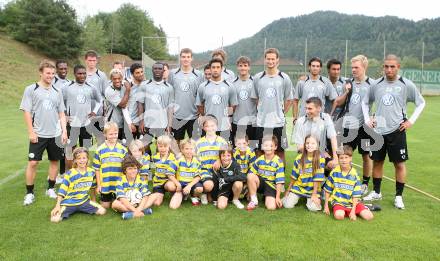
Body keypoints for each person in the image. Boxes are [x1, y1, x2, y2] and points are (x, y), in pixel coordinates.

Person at [362, 54, 425, 209]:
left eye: (392, 66)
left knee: (399, 164)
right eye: (386, 66)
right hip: (378, 131)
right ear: (383, 67)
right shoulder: (376, 84)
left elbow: (421, 103)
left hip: (397, 131)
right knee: (377, 162)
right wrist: (368, 120)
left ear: (398, 67)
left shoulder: (406, 84)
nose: (389, 69)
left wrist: (411, 121)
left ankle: (398, 196)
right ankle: (376, 192)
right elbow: (365, 103)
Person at [20, 60, 68, 206]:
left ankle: (51, 189)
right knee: (33, 162)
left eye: (53, 74)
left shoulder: (57, 91)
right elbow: (27, 112)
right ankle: (29, 193)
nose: (51, 76)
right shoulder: (31, 89)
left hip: (55, 134)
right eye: (48, 73)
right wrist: (31, 132)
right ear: (40, 72)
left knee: (54, 161)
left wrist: (64, 131)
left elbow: (61, 113)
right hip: (38, 134)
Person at [332, 55, 374, 195]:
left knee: (366, 155)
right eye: (352, 67)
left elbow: (379, 104)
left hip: (365, 128)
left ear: (364, 67)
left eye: (357, 67)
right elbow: (339, 102)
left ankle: (365, 184)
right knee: (343, 154)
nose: (354, 70)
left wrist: (374, 118)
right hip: (348, 125)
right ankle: (342, 179)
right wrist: (347, 91)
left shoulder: (372, 85)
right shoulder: (348, 83)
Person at [251, 48, 293, 163]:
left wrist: (282, 113)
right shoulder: (258, 77)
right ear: (264, 60)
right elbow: (255, 98)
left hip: (278, 122)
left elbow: (289, 99)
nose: (270, 61)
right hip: (261, 121)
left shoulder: (284, 78)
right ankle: (261, 176)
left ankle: (280, 177)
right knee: (259, 149)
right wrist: (262, 109)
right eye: (268, 59)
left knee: (280, 150)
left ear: (277, 60)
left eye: (273, 59)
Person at [50, 147, 106, 222]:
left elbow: (92, 187)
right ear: (75, 160)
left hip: (84, 201)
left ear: (87, 159)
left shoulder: (91, 172)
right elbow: (62, 190)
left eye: (84, 158)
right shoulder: (70, 173)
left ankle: (81, 208)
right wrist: (57, 206)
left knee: (102, 211)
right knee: (54, 219)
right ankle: (67, 208)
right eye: (79, 158)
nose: (82, 160)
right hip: (69, 203)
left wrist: (93, 199)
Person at [63, 64, 101, 170]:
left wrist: (94, 111)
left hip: (86, 124)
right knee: (70, 151)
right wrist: (65, 114)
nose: (82, 75)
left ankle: (85, 175)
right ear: (74, 74)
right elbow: (60, 102)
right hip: (72, 124)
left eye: (84, 73)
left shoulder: (91, 87)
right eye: (79, 73)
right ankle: (69, 175)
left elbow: (99, 100)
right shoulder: (67, 87)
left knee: (85, 151)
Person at [323, 145, 374, 221]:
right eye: (341, 158)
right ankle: (344, 211)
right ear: (338, 159)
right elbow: (327, 190)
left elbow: (355, 194)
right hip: (339, 202)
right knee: (339, 216)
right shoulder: (334, 172)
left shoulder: (354, 175)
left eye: (346, 157)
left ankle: (363, 207)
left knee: (369, 217)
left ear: (350, 158)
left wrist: (353, 211)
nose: (344, 160)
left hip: (353, 203)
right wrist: (326, 205)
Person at [137, 62, 174, 154]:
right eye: (155, 68)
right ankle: (146, 165)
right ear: (152, 70)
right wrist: (141, 121)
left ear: (163, 71)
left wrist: (169, 125)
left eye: (160, 69)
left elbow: (170, 108)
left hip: (163, 124)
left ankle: (161, 166)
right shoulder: (144, 85)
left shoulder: (169, 87)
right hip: (148, 123)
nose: (157, 70)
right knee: (145, 147)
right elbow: (140, 104)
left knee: (162, 148)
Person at [196, 58, 238, 141]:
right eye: (213, 67)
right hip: (208, 127)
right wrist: (206, 116)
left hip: (224, 126)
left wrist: (227, 117)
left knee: (224, 152)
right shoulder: (203, 86)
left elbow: (233, 104)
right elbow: (199, 104)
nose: (215, 70)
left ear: (221, 69)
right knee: (208, 152)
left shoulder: (229, 86)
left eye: (218, 67)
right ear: (210, 69)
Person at [294, 97, 339, 172]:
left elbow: (333, 138)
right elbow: (300, 147)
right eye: (306, 108)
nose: (307, 111)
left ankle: (325, 180)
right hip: (305, 154)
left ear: (319, 108)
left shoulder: (326, 118)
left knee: (334, 167)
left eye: (310, 109)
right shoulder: (300, 122)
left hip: (322, 154)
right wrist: (319, 153)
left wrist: (335, 159)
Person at [168, 48, 204, 143]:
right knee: (177, 142)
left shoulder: (199, 74)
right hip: (177, 115)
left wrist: (201, 113)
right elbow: (170, 95)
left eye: (188, 57)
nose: (186, 59)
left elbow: (201, 95)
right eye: (183, 57)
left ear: (192, 58)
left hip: (194, 115)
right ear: (180, 58)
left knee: (195, 143)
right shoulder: (173, 73)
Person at [282, 135, 325, 211]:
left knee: (313, 208)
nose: (309, 145)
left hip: (312, 189)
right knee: (287, 205)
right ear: (304, 144)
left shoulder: (320, 158)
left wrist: (314, 194)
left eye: (313, 143)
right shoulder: (299, 158)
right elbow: (294, 175)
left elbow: (317, 177)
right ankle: (291, 197)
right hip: (299, 186)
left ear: (317, 145)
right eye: (307, 143)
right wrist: (288, 190)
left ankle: (317, 198)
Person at [92, 121, 128, 208]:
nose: (113, 136)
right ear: (105, 134)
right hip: (106, 184)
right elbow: (96, 169)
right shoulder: (100, 150)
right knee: (105, 206)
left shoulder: (123, 149)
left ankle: (115, 197)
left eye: (115, 133)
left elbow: (126, 168)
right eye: (111, 134)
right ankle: (108, 197)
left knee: (120, 204)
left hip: (118, 183)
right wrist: (99, 185)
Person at [195, 115, 228, 204]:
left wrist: (219, 160)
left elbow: (227, 157)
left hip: (218, 170)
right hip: (204, 170)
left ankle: (211, 194)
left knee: (213, 198)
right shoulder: (199, 142)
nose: (210, 128)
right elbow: (196, 160)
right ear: (203, 128)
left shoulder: (222, 141)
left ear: (217, 127)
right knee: (208, 186)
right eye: (207, 126)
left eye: (212, 126)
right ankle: (204, 193)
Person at [246, 135, 285, 210]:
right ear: (262, 146)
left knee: (271, 207)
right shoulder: (259, 160)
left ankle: (267, 197)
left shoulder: (278, 162)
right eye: (266, 145)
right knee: (250, 175)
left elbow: (279, 182)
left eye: (271, 146)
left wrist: (277, 197)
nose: (268, 148)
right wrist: (249, 191)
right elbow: (251, 176)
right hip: (261, 184)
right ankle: (254, 200)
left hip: (271, 186)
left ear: (275, 147)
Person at [112, 155, 154, 220]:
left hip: (139, 203)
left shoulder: (141, 180)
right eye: (130, 169)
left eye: (135, 168)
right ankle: (142, 211)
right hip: (126, 204)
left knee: (152, 197)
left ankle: (131, 214)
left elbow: (145, 196)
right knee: (114, 204)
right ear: (125, 170)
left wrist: (138, 209)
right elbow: (122, 198)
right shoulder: (120, 181)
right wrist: (135, 210)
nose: (133, 171)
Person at [231, 56, 257, 147]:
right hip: (237, 122)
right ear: (237, 67)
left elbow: (259, 101)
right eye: (240, 65)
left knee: (253, 148)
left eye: (245, 65)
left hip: (253, 122)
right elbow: (230, 104)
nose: (243, 68)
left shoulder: (255, 81)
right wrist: (229, 118)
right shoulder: (232, 83)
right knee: (237, 148)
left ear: (249, 67)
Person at [169, 138, 203, 209]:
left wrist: (189, 186)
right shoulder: (178, 160)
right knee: (173, 206)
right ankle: (182, 195)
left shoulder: (197, 161)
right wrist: (177, 184)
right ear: (182, 150)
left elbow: (198, 177)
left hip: (192, 184)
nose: (189, 151)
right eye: (186, 149)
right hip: (181, 184)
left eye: (191, 149)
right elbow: (170, 174)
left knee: (199, 188)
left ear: (194, 150)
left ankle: (194, 196)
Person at [53, 59, 72, 184]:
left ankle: (64, 173)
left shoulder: (70, 83)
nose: (64, 71)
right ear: (56, 69)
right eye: (61, 68)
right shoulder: (52, 82)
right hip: (54, 120)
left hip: (66, 120)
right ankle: (57, 174)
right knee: (56, 148)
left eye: (65, 68)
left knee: (66, 147)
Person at [104, 68, 134, 145]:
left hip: (124, 122)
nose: (117, 80)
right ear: (111, 79)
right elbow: (123, 105)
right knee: (112, 145)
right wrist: (128, 89)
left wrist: (129, 122)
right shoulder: (109, 90)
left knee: (124, 146)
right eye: (114, 79)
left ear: (122, 78)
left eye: (119, 78)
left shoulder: (124, 86)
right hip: (113, 122)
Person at [149, 135, 179, 206]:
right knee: (156, 203)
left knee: (170, 186)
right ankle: (158, 194)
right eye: (160, 146)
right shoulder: (154, 157)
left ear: (169, 146)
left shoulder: (173, 158)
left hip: (168, 182)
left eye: (165, 146)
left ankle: (174, 193)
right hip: (158, 183)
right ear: (157, 146)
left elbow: (176, 172)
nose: (163, 149)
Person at [84, 50, 107, 136]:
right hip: (84, 113)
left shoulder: (102, 75)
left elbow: (106, 94)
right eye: (90, 60)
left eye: (94, 60)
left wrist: (104, 110)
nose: (92, 63)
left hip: (98, 112)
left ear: (96, 61)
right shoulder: (81, 74)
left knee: (100, 137)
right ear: (86, 60)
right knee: (86, 139)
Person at [127, 63, 147, 140]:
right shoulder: (128, 87)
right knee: (130, 147)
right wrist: (129, 122)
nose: (141, 74)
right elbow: (125, 107)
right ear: (132, 74)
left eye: (142, 72)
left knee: (144, 148)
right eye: (137, 73)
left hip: (144, 122)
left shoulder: (148, 85)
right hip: (131, 122)